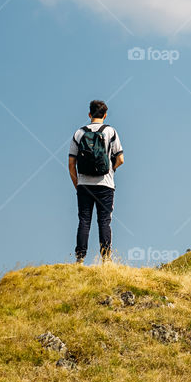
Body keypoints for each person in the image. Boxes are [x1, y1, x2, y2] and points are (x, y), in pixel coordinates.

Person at [68, 100, 124, 263]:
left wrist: (78, 184)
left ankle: (80, 258)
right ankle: (106, 258)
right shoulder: (110, 131)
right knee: (104, 221)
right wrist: (111, 170)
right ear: (105, 115)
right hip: (105, 184)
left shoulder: (79, 133)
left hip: (84, 185)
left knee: (84, 221)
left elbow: (71, 164)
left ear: (89, 114)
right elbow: (120, 159)